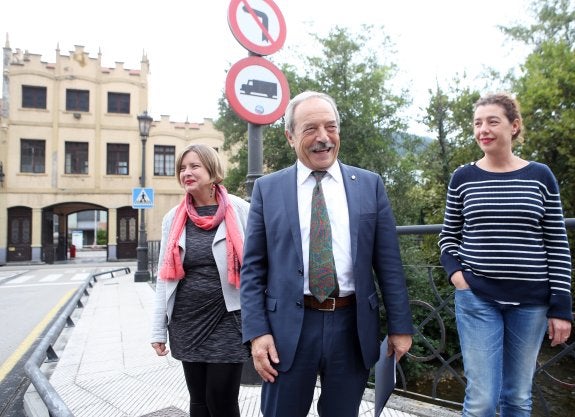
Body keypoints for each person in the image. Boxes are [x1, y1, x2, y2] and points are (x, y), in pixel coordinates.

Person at [240, 91, 413, 417]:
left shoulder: (369, 185)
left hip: (352, 326)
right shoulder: (268, 189)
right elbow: (252, 269)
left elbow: (388, 262)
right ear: (290, 136)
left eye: (330, 127)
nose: (323, 138)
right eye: (310, 129)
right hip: (287, 329)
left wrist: (400, 326)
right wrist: (257, 332)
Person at [438, 93, 572, 417]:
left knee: (517, 397)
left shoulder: (540, 177)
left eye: (492, 121)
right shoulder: (463, 178)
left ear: (514, 126)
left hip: (531, 303)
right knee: (483, 398)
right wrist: (459, 278)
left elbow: (557, 242)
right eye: (477, 123)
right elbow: (447, 237)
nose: (483, 129)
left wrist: (561, 306)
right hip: (477, 297)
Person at [150, 144, 250, 417]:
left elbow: (259, 267)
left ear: (212, 170)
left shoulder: (240, 209)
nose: (186, 173)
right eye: (182, 168)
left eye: (194, 166)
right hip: (187, 321)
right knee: (198, 401)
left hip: (229, 319)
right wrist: (158, 329)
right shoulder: (174, 218)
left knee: (221, 400)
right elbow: (163, 276)